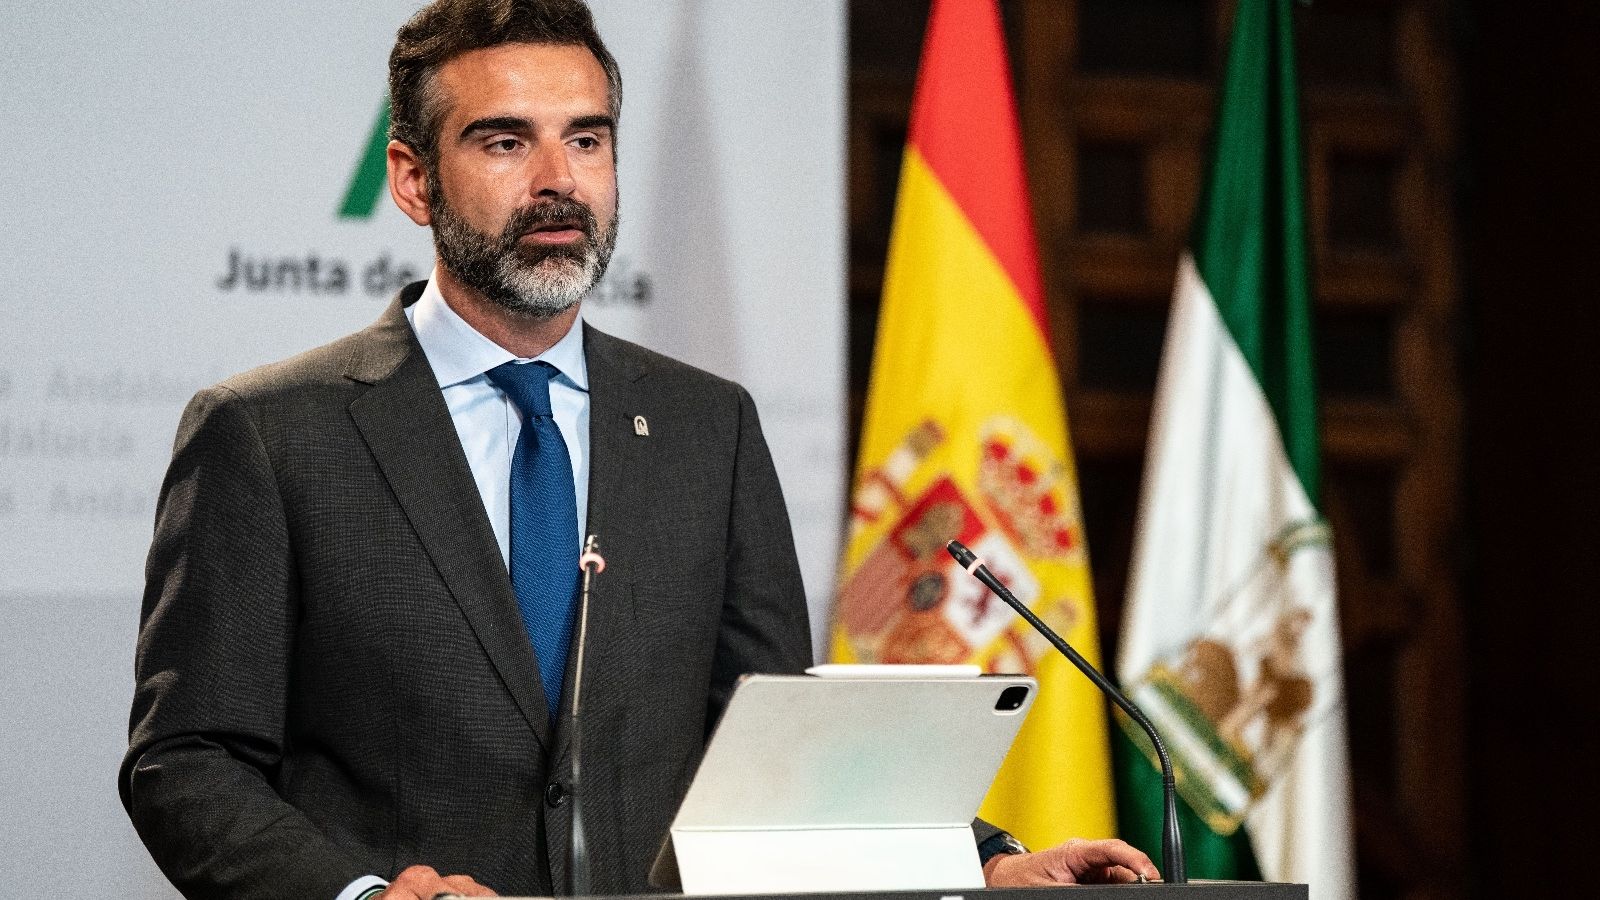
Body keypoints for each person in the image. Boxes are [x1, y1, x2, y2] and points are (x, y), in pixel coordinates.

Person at [120, 1, 1159, 897]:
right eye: (502, 142)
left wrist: (977, 866)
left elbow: (770, 740)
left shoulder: (707, 427)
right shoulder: (270, 432)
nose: (557, 180)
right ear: (411, 179)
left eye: (586, 138)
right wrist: (361, 893)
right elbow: (188, 761)